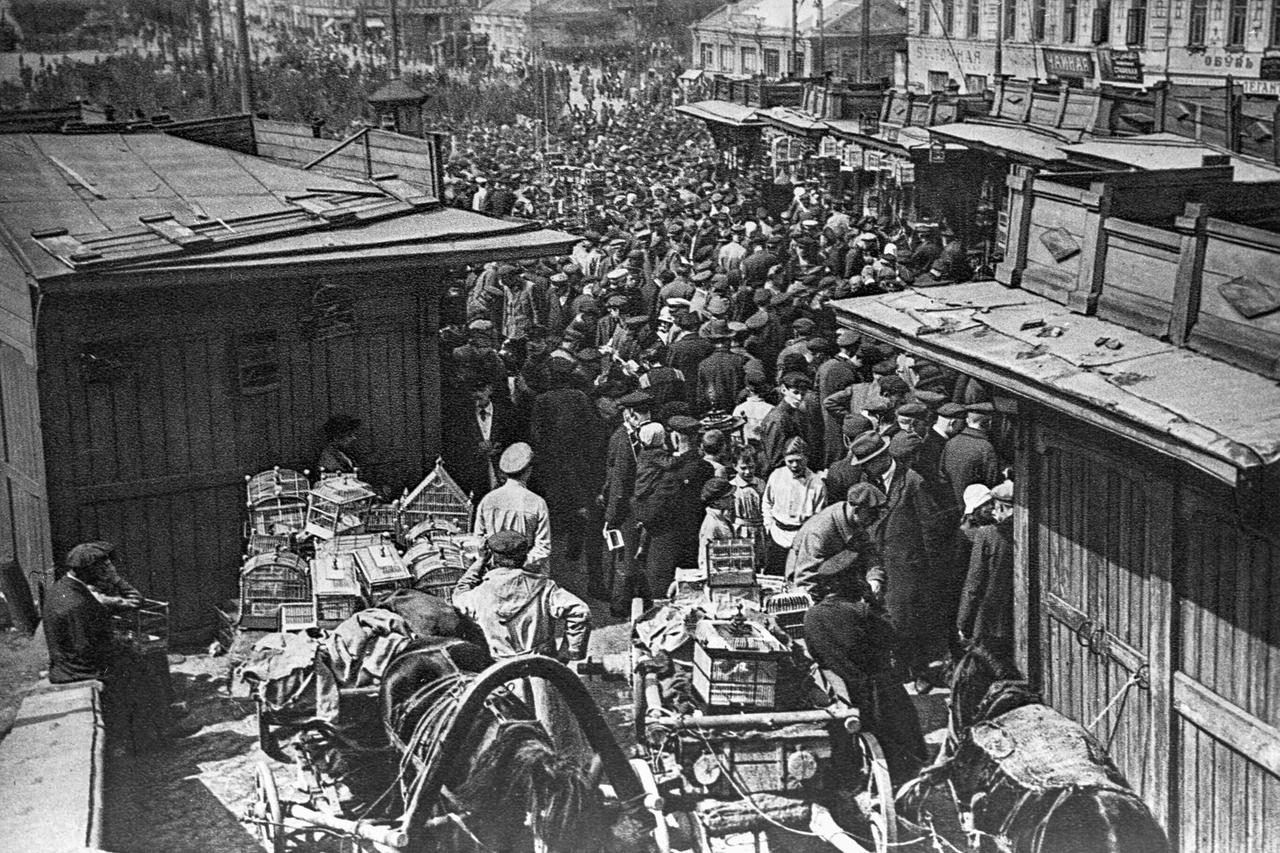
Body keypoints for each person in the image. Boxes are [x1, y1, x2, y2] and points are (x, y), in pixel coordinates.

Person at [453, 530, 592, 756]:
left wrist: (478, 564)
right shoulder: (544, 587)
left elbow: (459, 596)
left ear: (493, 558)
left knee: (513, 748)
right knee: (558, 742)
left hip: (502, 679)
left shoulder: (478, 595)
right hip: (544, 674)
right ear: (525, 555)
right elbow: (581, 612)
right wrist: (568, 653)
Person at [44, 542, 192, 751]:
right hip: (77, 668)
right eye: (102, 568)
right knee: (137, 669)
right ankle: (150, 737)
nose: (106, 572)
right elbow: (86, 648)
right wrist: (122, 646)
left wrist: (121, 644)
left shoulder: (68, 587)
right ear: (89, 571)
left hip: (75, 660)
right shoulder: (75, 602)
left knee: (147, 659)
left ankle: (161, 725)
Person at [803, 550, 928, 783]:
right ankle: (909, 769)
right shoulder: (862, 613)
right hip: (873, 696)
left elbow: (816, 653)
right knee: (904, 714)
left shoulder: (811, 616)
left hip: (840, 693)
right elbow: (892, 638)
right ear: (851, 582)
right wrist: (874, 604)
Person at [858, 431, 944, 693]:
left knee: (910, 620)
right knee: (886, 618)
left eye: (868, 463)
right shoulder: (869, 479)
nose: (865, 469)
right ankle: (900, 667)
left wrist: (929, 569)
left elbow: (930, 527)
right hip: (879, 560)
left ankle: (921, 670)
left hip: (909, 566)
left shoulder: (912, 481)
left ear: (882, 458)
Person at [640, 415, 714, 599]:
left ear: (674, 438)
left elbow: (653, 512)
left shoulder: (670, 473)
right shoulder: (706, 468)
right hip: (694, 538)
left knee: (661, 595)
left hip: (668, 542)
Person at [788, 483, 888, 593]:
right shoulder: (819, 532)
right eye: (872, 513)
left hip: (836, 576)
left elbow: (870, 554)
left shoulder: (858, 520)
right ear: (856, 510)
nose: (876, 518)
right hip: (805, 579)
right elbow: (805, 581)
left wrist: (875, 579)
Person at [956, 480, 1016, 660]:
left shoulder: (987, 535)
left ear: (1002, 507)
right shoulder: (1026, 531)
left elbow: (974, 583)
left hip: (992, 619)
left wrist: (963, 622)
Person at [473, 442, 552, 573]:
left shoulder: (487, 500)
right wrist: (521, 566)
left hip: (494, 573)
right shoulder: (537, 503)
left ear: (503, 472)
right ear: (528, 471)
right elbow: (543, 548)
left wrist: (496, 563)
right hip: (528, 575)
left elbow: (479, 541)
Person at [761, 437, 826, 575]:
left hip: (801, 539)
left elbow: (818, 518)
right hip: (777, 535)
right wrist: (769, 525)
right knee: (772, 577)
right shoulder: (777, 475)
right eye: (790, 461)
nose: (795, 465)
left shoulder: (817, 483)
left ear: (806, 458)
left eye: (799, 460)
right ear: (784, 459)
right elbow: (767, 502)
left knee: (798, 578)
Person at [940, 402, 1003, 507]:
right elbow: (992, 483)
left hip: (953, 506)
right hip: (976, 508)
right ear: (989, 422)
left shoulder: (951, 442)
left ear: (967, 420)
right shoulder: (986, 448)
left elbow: (942, 475)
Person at [758, 372, 811, 473]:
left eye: (803, 394)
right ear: (783, 390)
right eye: (795, 392)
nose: (799, 398)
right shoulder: (777, 419)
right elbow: (775, 460)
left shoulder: (796, 412)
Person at [697, 478, 736, 575]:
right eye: (729, 496)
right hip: (717, 575)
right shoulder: (712, 524)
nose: (733, 498)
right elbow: (707, 557)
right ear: (717, 502)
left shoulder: (722, 518)